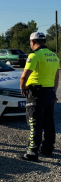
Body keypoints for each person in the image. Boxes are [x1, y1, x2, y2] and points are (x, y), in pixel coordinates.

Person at [19, 32, 59, 161]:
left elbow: (24, 76)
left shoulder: (34, 55)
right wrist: (53, 92)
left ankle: (32, 152)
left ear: (32, 42)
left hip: (36, 93)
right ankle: (47, 149)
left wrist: (23, 88)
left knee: (34, 123)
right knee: (49, 123)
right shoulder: (54, 56)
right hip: (49, 93)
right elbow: (56, 77)